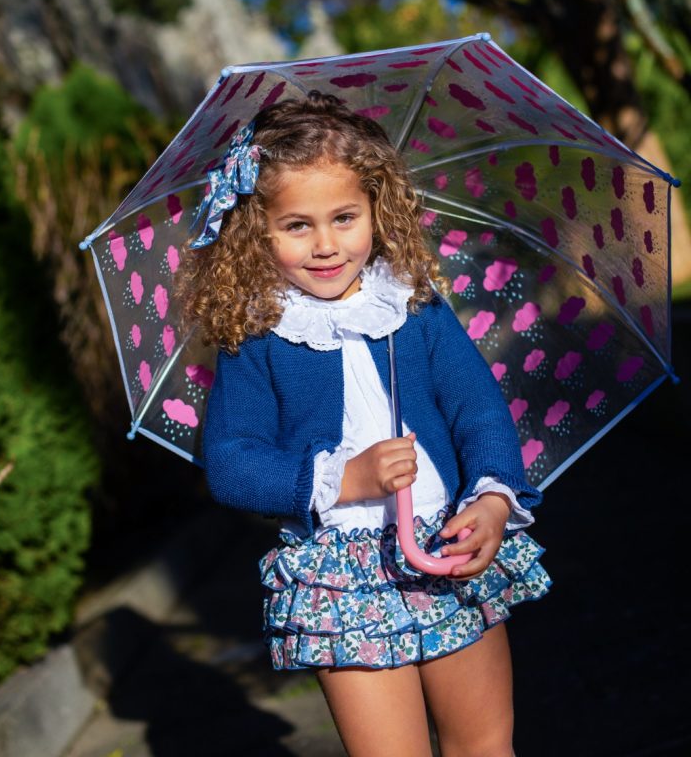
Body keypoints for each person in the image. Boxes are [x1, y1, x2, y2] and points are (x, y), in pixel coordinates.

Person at [175, 91, 551, 757]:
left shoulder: (412, 305)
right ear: (256, 230)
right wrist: (343, 478)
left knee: (485, 743)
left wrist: (493, 500)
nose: (326, 245)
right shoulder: (256, 334)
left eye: (344, 218)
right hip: (340, 576)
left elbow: (478, 408)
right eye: (297, 225)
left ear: (377, 209)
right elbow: (230, 462)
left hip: (448, 544)